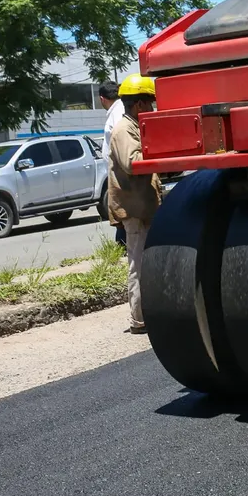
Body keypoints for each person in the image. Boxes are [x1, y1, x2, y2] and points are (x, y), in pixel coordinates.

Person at [107, 73, 162, 334]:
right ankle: (139, 319)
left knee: (146, 263)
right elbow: (132, 162)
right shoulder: (124, 129)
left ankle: (149, 314)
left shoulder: (132, 126)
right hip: (134, 209)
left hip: (142, 206)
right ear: (139, 104)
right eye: (149, 103)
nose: (151, 108)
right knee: (138, 264)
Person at [98, 80, 126, 248]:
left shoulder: (118, 111)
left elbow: (120, 141)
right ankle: (121, 241)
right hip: (118, 168)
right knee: (120, 208)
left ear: (102, 99)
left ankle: (122, 242)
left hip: (120, 170)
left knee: (121, 208)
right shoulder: (118, 109)